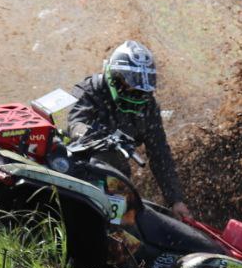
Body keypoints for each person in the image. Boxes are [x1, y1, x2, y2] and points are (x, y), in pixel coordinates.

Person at [68, 41, 192, 221]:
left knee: (121, 173)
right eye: (131, 82)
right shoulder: (90, 89)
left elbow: (160, 154)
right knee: (111, 157)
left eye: (142, 83)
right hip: (82, 163)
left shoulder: (148, 106)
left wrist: (175, 200)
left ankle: (117, 227)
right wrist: (96, 136)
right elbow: (76, 123)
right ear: (115, 76)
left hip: (118, 176)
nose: (136, 89)